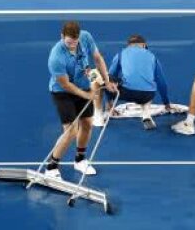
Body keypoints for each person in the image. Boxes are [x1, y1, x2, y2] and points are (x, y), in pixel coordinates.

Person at [45, 21, 113, 179]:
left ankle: (80, 160)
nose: (72, 46)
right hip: (63, 92)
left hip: (83, 86)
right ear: (62, 36)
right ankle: (51, 167)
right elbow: (66, 84)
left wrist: (107, 80)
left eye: (75, 42)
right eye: (69, 42)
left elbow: (97, 58)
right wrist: (87, 95)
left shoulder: (86, 37)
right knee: (71, 131)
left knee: (88, 123)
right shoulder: (56, 57)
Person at [106, 34, 170, 127]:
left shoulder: (121, 53)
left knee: (104, 79)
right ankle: (146, 114)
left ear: (128, 46)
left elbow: (110, 77)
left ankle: (106, 111)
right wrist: (166, 103)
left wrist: (109, 101)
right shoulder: (152, 56)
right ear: (144, 45)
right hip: (148, 94)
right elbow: (161, 82)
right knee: (148, 89)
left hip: (126, 92)